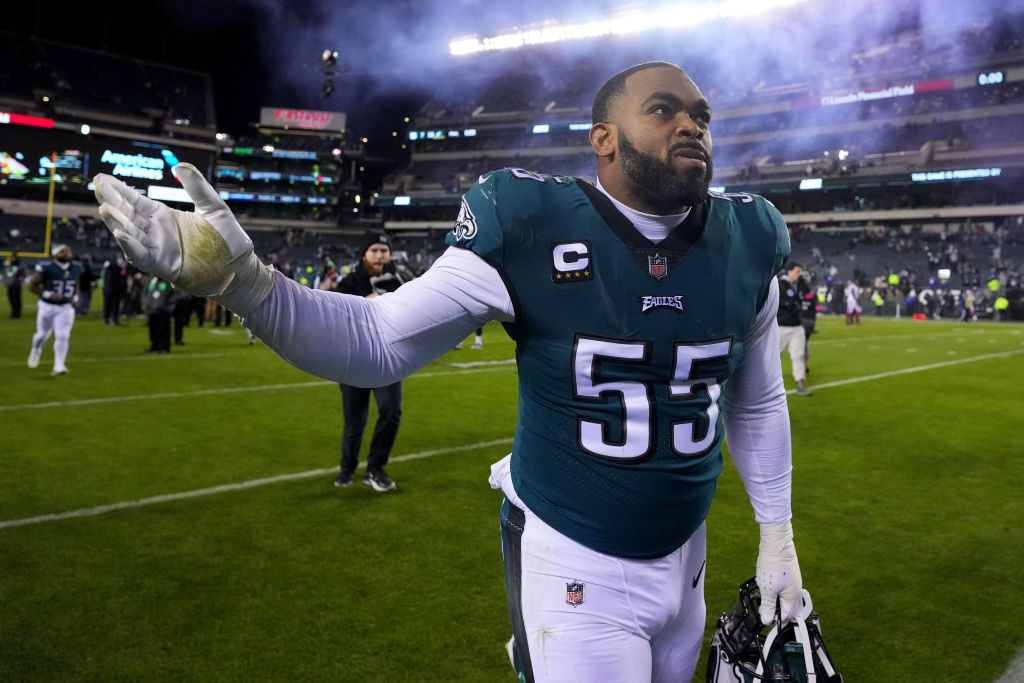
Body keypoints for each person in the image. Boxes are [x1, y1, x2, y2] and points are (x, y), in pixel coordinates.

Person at [93, 61, 806, 682]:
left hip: (689, 555)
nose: (692, 125)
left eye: (701, 115)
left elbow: (754, 400)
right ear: (604, 138)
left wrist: (778, 535)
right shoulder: (531, 220)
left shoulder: (747, 235)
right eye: (664, 110)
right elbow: (378, 339)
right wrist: (246, 284)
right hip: (577, 559)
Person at [332, 230, 412, 492]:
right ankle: (347, 469)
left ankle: (375, 468)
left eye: (384, 250)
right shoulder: (349, 282)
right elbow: (335, 315)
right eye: (374, 250)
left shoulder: (399, 281)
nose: (379, 255)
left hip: (387, 359)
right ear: (364, 254)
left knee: (391, 412)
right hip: (354, 359)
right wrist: (364, 303)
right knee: (355, 422)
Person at [27, 243, 83, 375]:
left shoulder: (76, 267)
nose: (65, 254)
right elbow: (31, 285)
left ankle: (59, 365)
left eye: (67, 252)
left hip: (65, 307)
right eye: (61, 252)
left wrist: (75, 298)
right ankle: (36, 349)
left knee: (63, 336)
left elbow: (75, 283)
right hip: (47, 306)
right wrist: (48, 295)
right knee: (42, 335)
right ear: (55, 254)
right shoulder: (47, 267)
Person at [777, 262, 812, 397]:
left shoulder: (798, 284)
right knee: (773, 356)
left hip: (797, 326)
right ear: (789, 271)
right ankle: (762, 383)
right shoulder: (780, 284)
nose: (799, 274)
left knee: (798, 355)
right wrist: (798, 304)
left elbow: (806, 298)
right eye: (797, 271)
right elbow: (785, 303)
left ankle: (800, 383)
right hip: (782, 326)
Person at [101, 255, 128, 325]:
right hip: (116, 290)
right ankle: (115, 320)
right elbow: (124, 276)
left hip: (107, 290)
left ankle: (106, 320)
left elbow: (105, 280)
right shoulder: (120, 269)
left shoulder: (107, 269)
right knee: (115, 306)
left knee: (107, 305)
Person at [5, 253, 26, 318]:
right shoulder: (10, 266)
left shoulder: (20, 266)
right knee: (11, 299)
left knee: (16, 299)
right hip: (10, 286)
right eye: (12, 258)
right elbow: (8, 275)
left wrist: (19, 280)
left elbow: (23, 275)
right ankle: (13, 312)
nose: (12, 259)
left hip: (16, 286)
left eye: (14, 258)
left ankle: (17, 313)